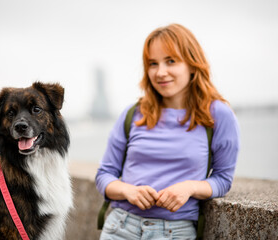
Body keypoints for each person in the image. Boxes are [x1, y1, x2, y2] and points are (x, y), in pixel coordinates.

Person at [95, 23, 240, 240]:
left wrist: (189, 187)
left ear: (192, 64)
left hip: (175, 232)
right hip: (120, 227)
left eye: (171, 61)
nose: (161, 72)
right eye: (153, 64)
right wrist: (128, 191)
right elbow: (104, 176)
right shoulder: (133, 114)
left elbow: (223, 180)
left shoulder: (219, 114)